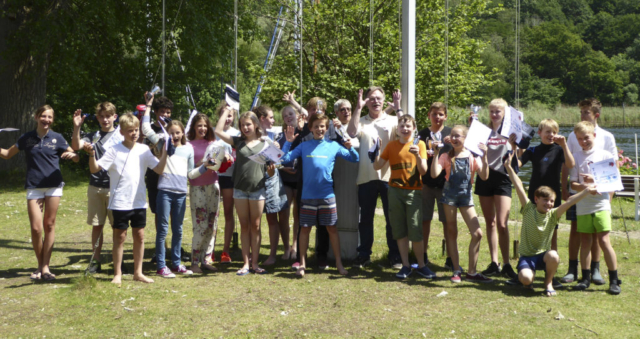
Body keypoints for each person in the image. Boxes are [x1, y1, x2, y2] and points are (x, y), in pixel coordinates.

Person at [87, 113, 167, 284]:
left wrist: (166, 152)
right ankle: (118, 273)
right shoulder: (114, 150)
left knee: (140, 236)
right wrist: (91, 154)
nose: (134, 133)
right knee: (120, 237)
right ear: (122, 132)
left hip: (138, 202)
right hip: (120, 202)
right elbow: (95, 169)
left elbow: (159, 170)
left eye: (136, 130)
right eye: (130, 130)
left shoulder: (144, 150)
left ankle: (138, 273)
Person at [0, 105, 79, 281]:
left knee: (49, 225)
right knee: (36, 229)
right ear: (36, 117)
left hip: (53, 185)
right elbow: (6, 154)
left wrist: (72, 156)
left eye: (49, 117)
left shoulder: (57, 138)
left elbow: (75, 155)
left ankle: (45, 267)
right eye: (43, 116)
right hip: (34, 186)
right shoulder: (26, 138)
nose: (46, 120)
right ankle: (39, 264)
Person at [504, 151, 597, 296]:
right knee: (527, 279)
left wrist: (586, 191)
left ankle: (548, 283)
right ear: (536, 200)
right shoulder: (528, 208)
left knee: (554, 255)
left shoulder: (554, 215)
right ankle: (528, 278)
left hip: (543, 257)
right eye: (545, 200)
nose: (549, 203)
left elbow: (570, 201)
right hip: (527, 257)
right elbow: (519, 186)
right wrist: (509, 168)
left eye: (552, 201)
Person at [280, 113, 358, 277]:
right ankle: (302, 264)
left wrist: (351, 147)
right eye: (316, 126)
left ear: (327, 127)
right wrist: (287, 143)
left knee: (332, 229)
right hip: (307, 196)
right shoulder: (303, 145)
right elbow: (285, 159)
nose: (319, 129)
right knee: (305, 230)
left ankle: (339, 264)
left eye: (322, 126)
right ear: (311, 128)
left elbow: (354, 159)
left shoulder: (333, 146)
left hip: (327, 195)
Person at [141, 95, 208, 278]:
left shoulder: (188, 149)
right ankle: (161, 266)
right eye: (172, 133)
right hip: (164, 193)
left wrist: (205, 167)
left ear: (183, 134)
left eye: (178, 133)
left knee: (178, 229)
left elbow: (190, 174)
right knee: (163, 229)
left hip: (180, 194)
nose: (175, 136)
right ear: (167, 133)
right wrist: (148, 106)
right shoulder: (163, 143)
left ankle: (177, 263)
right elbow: (146, 128)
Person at [560, 99, 618, 285]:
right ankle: (573, 269)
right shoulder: (572, 135)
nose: (583, 114)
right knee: (577, 230)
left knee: (599, 235)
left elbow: (613, 166)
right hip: (578, 195)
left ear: (596, 115)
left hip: (600, 194)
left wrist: (609, 193)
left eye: (586, 112)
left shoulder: (606, 136)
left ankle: (595, 270)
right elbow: (567, 164)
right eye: (582, 112)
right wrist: (565, 187)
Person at [282, 92, 341, 270]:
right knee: (303, 221)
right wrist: (300, 131)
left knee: (325, 224)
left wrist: (340, 129)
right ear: (307, 111)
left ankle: (321, 256)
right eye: (313, 108)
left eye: (319, 109)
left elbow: (342, 145)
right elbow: (292, 151)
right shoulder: (303, 128)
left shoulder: (329, 129)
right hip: (305, 182)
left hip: (325, 184)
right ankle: (301, 258)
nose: (316, 111)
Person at [347, 87, 404, 268]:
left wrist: (398, 107)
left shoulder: (394, 120)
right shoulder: (362, 120)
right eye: (372, 99)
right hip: (366, 176)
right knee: (366, 218)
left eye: (379, 98)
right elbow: (351, 132)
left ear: (383, 100)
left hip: (389, 176)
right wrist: (357, 107)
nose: (376, 101)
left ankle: (395, 255)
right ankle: (364, 255)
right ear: (367, 102)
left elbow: (407, 132)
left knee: (391, 218)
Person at [373, 115, 436, 279]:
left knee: (415, 229)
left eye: (408, 126)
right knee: (399, 230)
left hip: (414, 191)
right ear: (397, 130)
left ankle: (421, 265)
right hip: (394, 191)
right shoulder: (391, 145)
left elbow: (423, 171)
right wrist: (375, 152)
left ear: (414, 128)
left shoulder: (419, 144)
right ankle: (405, 265)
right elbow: (377, 166)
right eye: (402, 126)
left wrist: (418, 156)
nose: (405, 129)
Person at [431, 125, 492, 283]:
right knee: (452, 232)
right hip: (449, 197)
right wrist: (435, 154)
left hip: (466, 198)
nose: (455, 138)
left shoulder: (473, 156)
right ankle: (456, 270)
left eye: (458, 136)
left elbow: (484, 176)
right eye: (453, 136)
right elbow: (434, 174)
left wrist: (485, 156)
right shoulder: (445, 155)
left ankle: (472, 272)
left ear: (466, 138)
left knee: (477, 233)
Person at [215, 110, 273, 275]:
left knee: (255, 226)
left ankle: (255, 264)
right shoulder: (238, 142)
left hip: (258, 190)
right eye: (242, 125)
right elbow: (218, 131)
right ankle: (245, 264)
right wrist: (227, 110)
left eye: (248, 124)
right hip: (239, 190)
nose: (245, 127)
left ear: (255, 124)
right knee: (245, 226)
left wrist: (271, 171)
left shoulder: (265, 144)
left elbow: (271, 173)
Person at [569, 121, 621, 295]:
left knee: (604, 241)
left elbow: (613, 182)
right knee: (585, 242)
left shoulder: (605, 155)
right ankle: (585, 278)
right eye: (580, 139)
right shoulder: (576, 156)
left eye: (587, 138)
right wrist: (585, 186)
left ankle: (614, 280)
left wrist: (595, 181)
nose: (584, 141)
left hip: (601, 204)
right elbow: (573, 184)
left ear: (594, 136)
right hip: (583, 205)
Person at [71, 102, 119, 274]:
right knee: (97, 226)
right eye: (102, 116)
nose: (105, 119)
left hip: (116, 188)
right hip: (96, 187)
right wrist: (77, 128)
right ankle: (95, 261)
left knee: (118, 227)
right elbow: (76, 146)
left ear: (115, 116)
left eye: (108, 116)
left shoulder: (122, 135)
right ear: (97, 118)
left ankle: (117, 262)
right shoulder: (93, 135)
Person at [474, 98, 518, 280]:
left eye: (498, 111)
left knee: (502, 223)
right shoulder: (482, 130)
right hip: (484, 176)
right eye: (492, 111)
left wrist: (514, 145)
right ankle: (494, 263)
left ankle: (507, 263)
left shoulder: (510, 132)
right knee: (490, 222)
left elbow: (518, 157)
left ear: (504, 113)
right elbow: (472, 150)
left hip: (503, 178)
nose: (494, 114)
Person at [518, 119, 575, 253]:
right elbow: (518, 164)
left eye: (554, 132)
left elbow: (571, 165)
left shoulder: (560, 150)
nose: (551, 134)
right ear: (539, 133)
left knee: (552, 229)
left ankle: (551, 261)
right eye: (547, 131)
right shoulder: (533, 150)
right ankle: (532, 255)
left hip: (552, 195)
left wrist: (564, 145)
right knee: (532, 226)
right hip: (535, 194)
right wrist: (517, 147)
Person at [253, 105, 290, 266]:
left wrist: (283, 149)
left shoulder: (269, 138)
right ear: (262, 119)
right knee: (260, 220)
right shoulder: (254, 137)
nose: (274, 121)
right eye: (271, 117)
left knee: (274, 217)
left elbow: (279, 160)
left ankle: (276, 253)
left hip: (272, 180)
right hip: (257, 182)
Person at [418, 102, 452, 267]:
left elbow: (461, 152)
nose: (437, 117)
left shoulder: (451, 133)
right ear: (429, 116)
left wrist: (451, 143)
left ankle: (451, 258)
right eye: (434, 114)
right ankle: (423, 255)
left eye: (440, 114)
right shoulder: (423, 134)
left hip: (446, 184)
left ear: (445, 116)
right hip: (426, 184)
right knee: (425, 220)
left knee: (447, 221)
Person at [187, 113, 221, 273]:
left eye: (205, 126)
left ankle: (207, 259)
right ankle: (194, 261)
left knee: (212, 225)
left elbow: (219, 164)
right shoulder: (188, 145)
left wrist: (226, 158)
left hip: (213, 186)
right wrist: (203, 163)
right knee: (200, 225)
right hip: (197, 187)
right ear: (194, 126)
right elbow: (189, 168)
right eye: (199, 125)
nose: (202, 128)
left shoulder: (213, 143)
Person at [276, 105, 305, 261]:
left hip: (300, 180)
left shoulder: (303, 134)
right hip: (285, 180)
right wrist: (284, 169)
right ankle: (286, 247)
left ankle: (295, 246)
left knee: (298, 216)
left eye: (291, 114)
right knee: (284, 215)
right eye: (285, 115)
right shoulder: (279, 137)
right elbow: (274, 160)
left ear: (297, 115)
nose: (289, 117)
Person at [214, 104, 240, 264]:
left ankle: (225, 250)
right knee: (213, 215)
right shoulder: (212, 131)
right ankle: (209, 251)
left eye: (230, 115)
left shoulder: (237, 133)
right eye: (224, 114)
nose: (227, 118)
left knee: (228, 214)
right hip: (214, 177)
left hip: (230, 178)